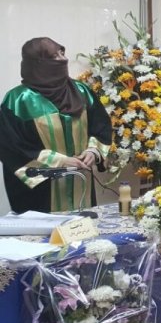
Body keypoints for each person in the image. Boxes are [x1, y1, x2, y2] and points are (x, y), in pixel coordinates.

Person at [0, 37, 112, 213]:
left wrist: (93, 151)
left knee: (80, 227)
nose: (63, 59)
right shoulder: (18, 100)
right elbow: (11, 148)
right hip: (39, 195)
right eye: (54, 56)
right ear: (38, 63)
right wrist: (59, 161)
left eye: (62, 53)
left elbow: (101, 127)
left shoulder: (81, 92)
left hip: (80, 185)